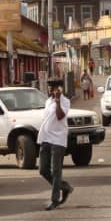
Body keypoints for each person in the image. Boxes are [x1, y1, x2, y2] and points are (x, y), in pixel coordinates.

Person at [37, 79, 74, 210]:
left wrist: (58, 101)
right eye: (49, 87)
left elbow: (60, 116)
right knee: (43, 169)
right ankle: (65, 187)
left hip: (58, 140)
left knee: (56, 171)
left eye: (52, 87)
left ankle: (54, 200)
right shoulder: (48, 102)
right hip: (46, 138)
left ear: (59, 89)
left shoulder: (65, 101)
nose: (49, 90)